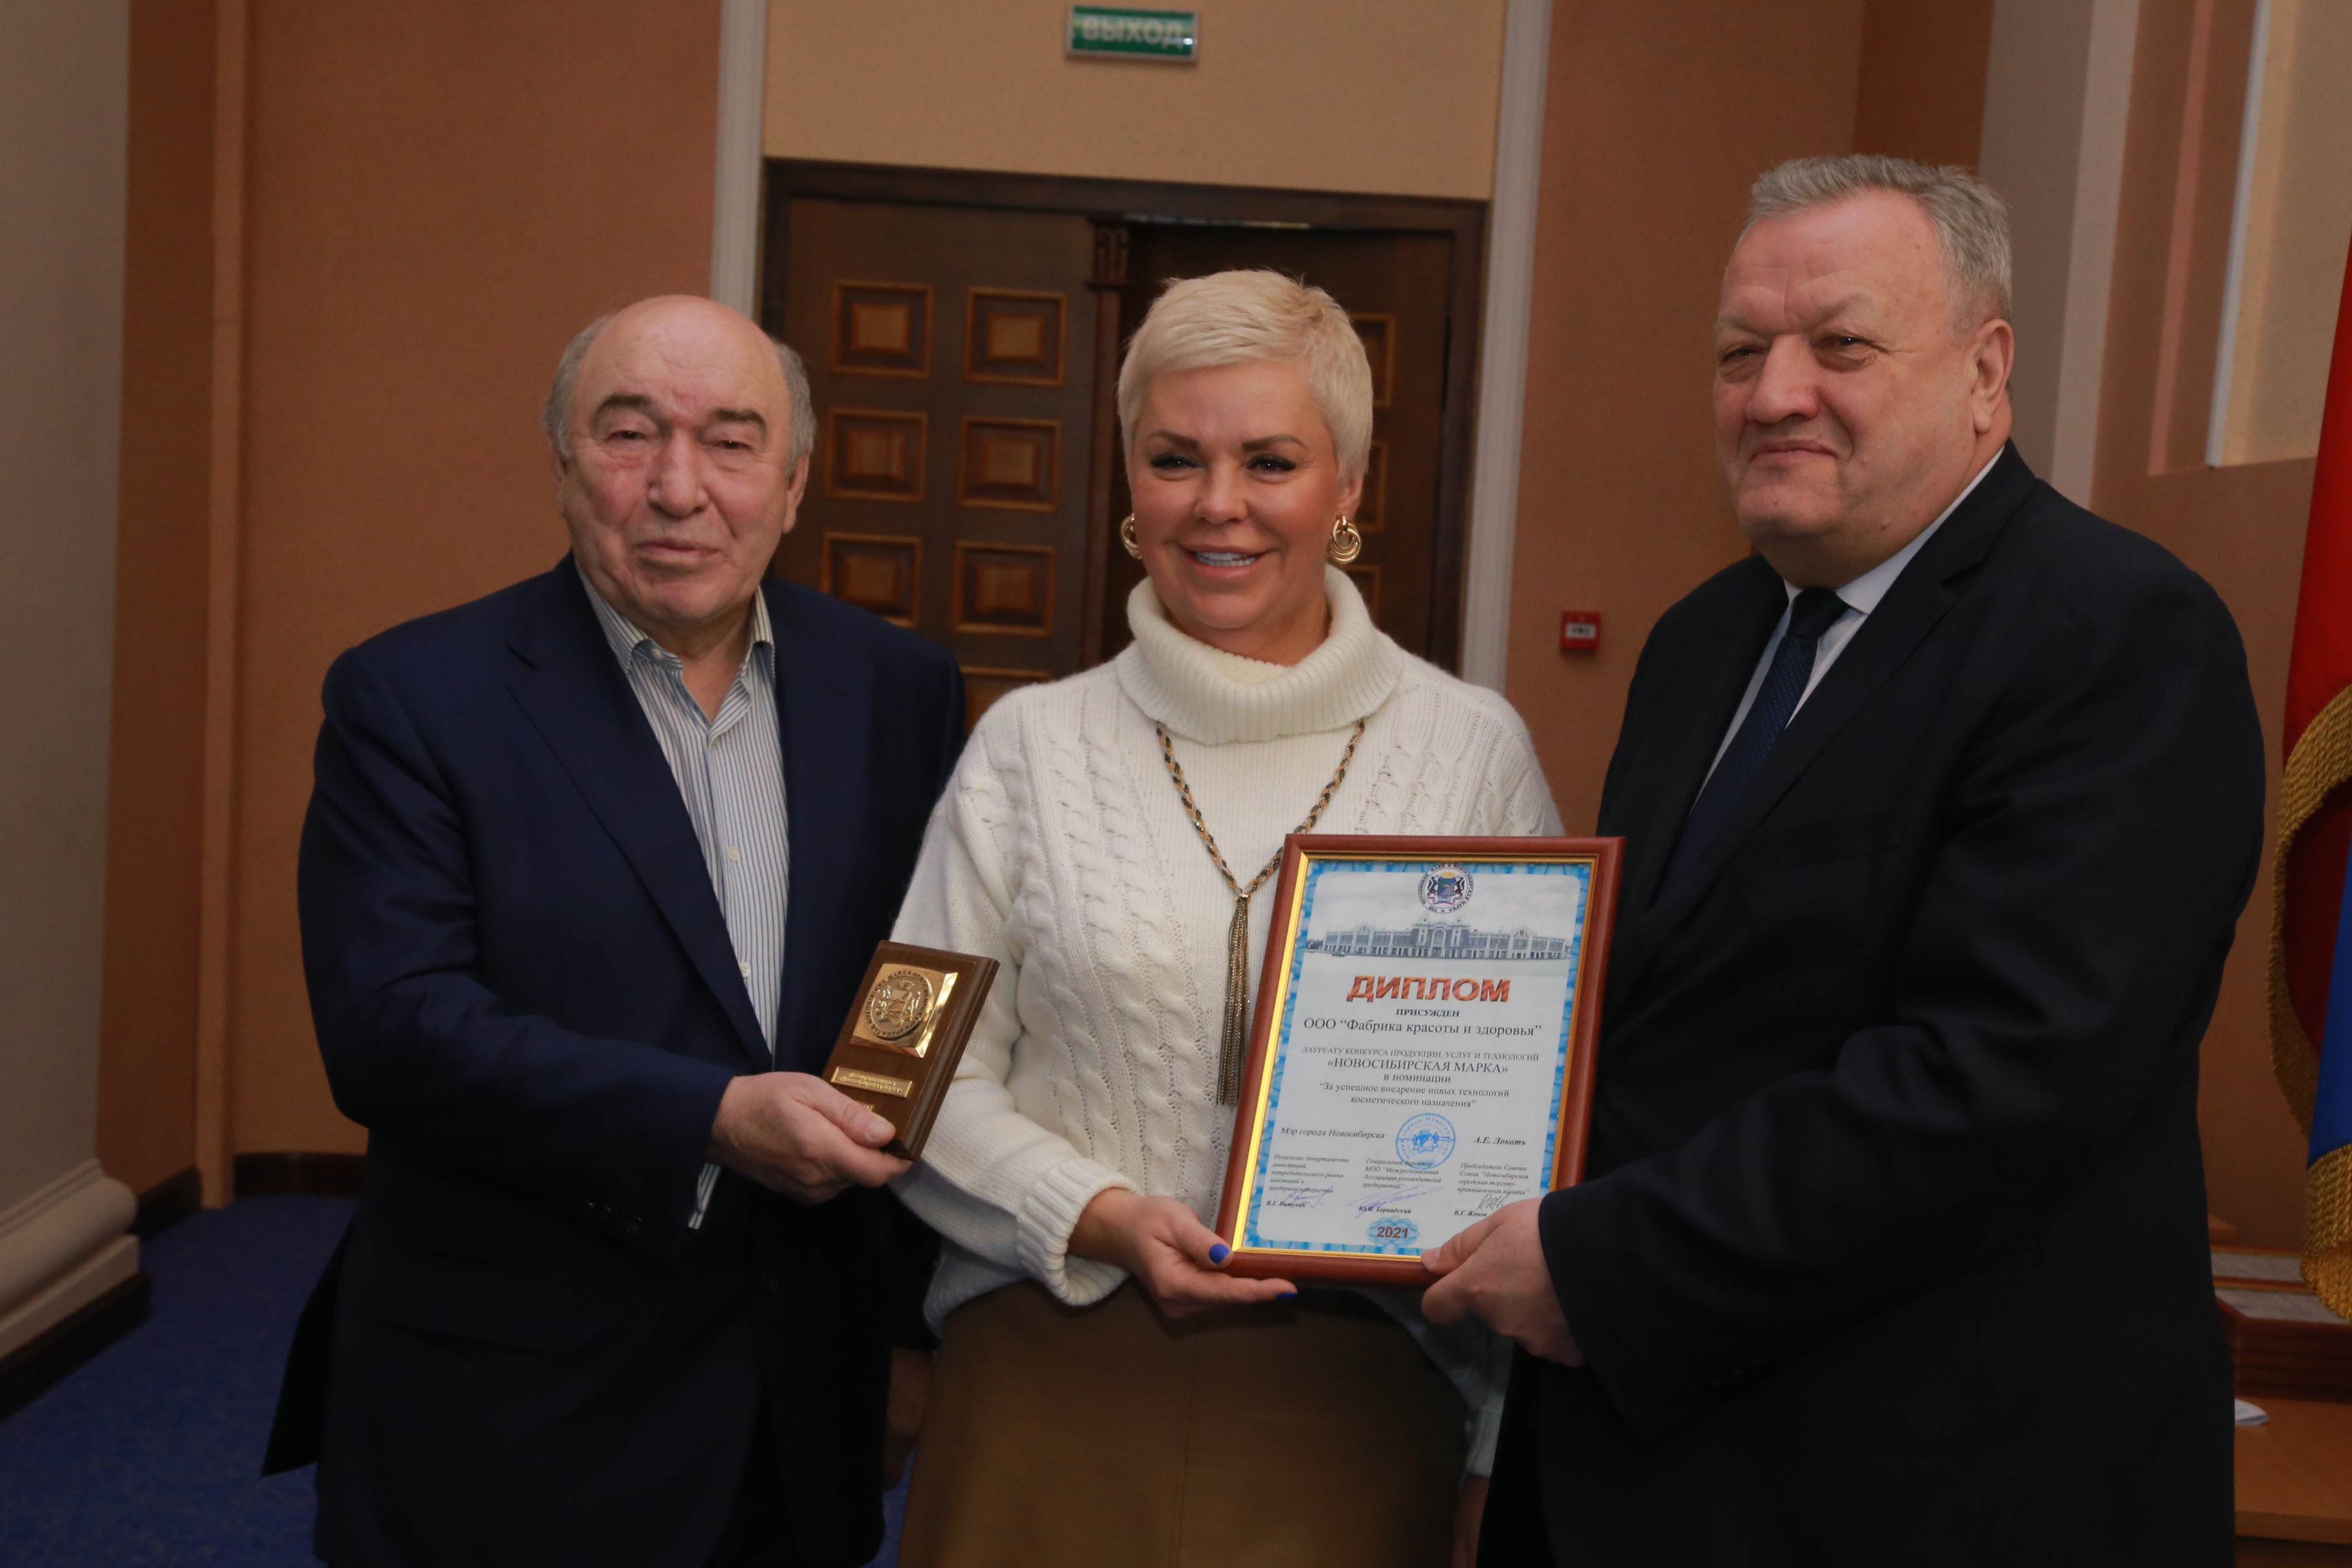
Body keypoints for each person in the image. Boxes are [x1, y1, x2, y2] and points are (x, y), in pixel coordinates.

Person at [1424, 155, 2266, 1565]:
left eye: (1843, 344)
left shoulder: (2114, 632)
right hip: (1643, 1467)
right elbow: (1661, 1022)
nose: (1774, 393)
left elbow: (2000, 1076)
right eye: (1739, 353)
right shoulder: (1703, 639)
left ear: (1985, 372)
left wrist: (1603, 1260)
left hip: (1926, 1486)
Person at [265, 295, 963, 1567]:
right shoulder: (415, 697)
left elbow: (917, 1000)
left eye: (732, 442)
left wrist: (907, 1330)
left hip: (798, 1394)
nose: (678, 488)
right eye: (630, 434)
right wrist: (712, 1117)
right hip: (516, 1401)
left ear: (796, 481)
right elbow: (392, 1031)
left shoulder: (897, 690)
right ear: (563, 462)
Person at [887, 270, 1559, 1568]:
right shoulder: (1025, 746)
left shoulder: (1474, 754)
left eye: (1272, 461)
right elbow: (899, 1078)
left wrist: (1494, 1451)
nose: (1218, 503)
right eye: (1175, 458)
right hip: (1045, 1379)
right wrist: (1094, 1210)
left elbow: (1524, 1145)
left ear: (1349, 485)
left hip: (1362, 1407)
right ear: (1130, 484)